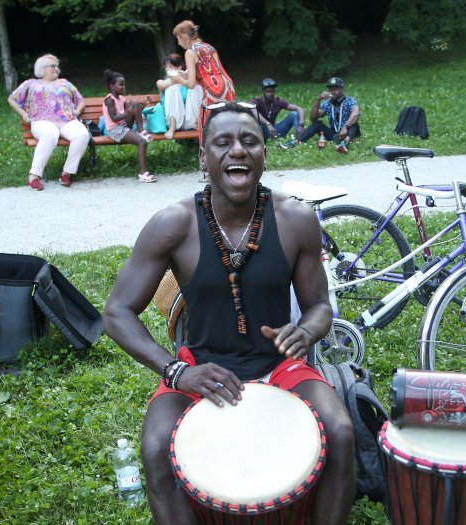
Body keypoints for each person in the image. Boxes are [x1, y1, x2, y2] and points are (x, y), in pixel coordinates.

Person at [102, 102, 355, 525]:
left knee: (341, 431)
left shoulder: (295, 219)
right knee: (154, 446)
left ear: (263, 155)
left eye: (249, 141)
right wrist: (177, 373)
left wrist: (307, 332)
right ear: (205, 158)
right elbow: (117, 313)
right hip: (199, 366)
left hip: (280, 367)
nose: (237, 150)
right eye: (223, 142)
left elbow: (319, 306)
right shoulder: (173, 224)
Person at [7, 53, 90, 190]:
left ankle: (67, 173)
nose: (56, 69)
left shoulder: (65, 83)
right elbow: (11, 99)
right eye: (53, 66)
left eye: (57, 66)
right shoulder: (31, 83)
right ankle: (33, 176)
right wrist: (23, 114)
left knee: (82, 134)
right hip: (41, 121)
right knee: (50, 134)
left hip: (67, 120)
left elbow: (80, 100)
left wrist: (77, 111)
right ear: (42, 68)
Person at [169, 20, 236, 144]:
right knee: (227, 121)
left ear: (184, 37)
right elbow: (208, 69)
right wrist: (187, 73)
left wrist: (179, 79)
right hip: (226, 86)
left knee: (207, 125)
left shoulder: (190, 52)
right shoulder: (209, 47)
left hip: (213, 90)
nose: (178, 42)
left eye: (178, 38)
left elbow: (191, 84)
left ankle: (209, 159)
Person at [102, 69, 156, 183]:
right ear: (112, 86)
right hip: (114, 130)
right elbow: (113, 118)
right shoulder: (109, 100)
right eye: (120, 85)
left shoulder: (121, 98)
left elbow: (134, 112)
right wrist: (127, 113)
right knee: (142, 142)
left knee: (135, 102)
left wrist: (145, 104)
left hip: (123, 126)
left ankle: (142, 131)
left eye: (124, 84)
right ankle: (143, 174)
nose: (123, 87)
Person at [299, 77, 360, 154]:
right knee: (317, 124)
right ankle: (297, 141)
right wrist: (318, 100)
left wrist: (345, 127)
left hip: (348, 131)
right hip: (334, 134)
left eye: (336, 89)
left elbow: (356, 113)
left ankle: (344, 144)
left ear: (342, 89)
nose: (333, 92)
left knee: (354, 122)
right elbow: (313, 118)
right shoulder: (328, 103)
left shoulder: (350, 100)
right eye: (331, 89)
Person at [152, 53, 203, 140]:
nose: (170, 69)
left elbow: (200, 83)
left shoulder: (187, 83)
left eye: (172, 66)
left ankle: (198, 123)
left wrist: (185, 77)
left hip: (190, 121)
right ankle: (172, 127)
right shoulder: (161, 82)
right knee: (173, 88)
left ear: (179, 67)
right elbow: (163, 85)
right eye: (167, 67)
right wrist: (178, 78)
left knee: (196, 87)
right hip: (174, 122)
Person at [250, 78, 305, 147]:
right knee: (255, 122)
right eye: (267, 91)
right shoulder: (256, 101)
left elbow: (299, 109)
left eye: (272, 91)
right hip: (261, 131)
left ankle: (298, 139)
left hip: (274, 131)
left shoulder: (278, 101)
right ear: (263, 91)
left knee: (294, 114)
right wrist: (267, 124)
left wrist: (301, 124)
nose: (270, 94)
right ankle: (258, 142)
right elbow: (253, 111)